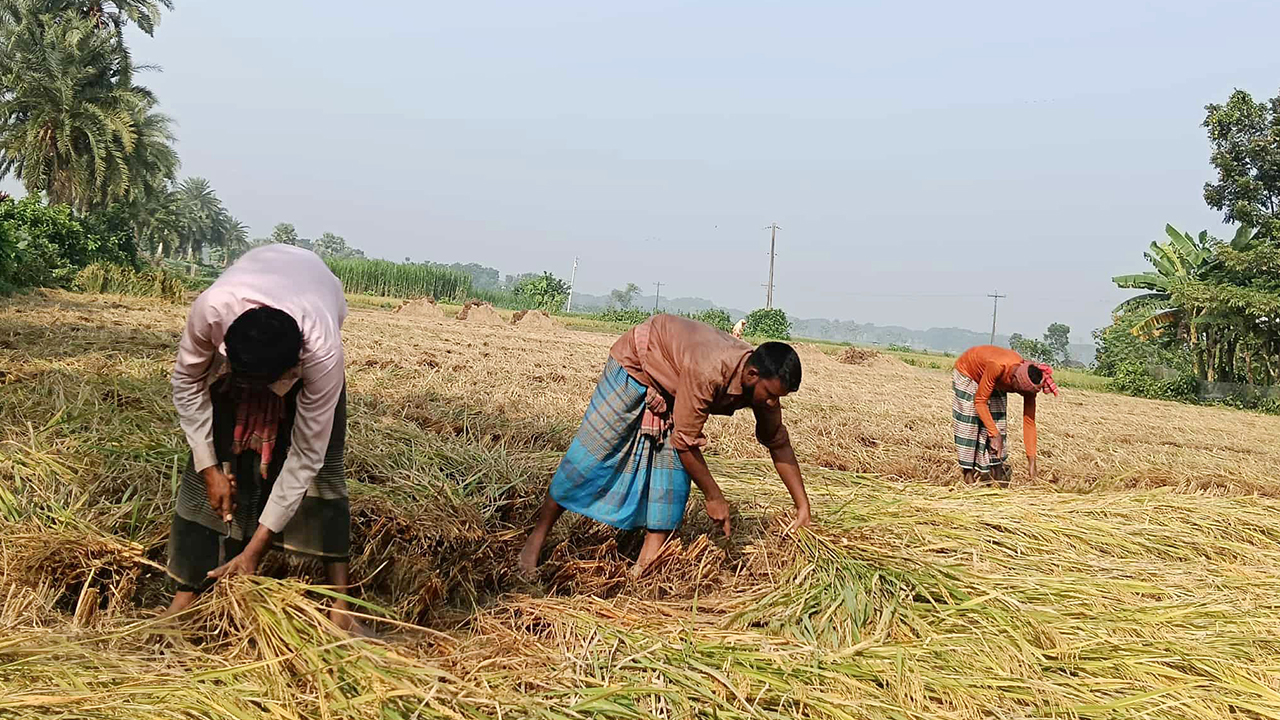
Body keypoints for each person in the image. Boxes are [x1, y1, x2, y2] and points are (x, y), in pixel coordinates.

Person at [162, 244, 366, 634]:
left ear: (295, 366)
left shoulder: (321, 354)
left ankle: (341, 605)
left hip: (311, 315)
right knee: (212, 454)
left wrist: (256, 551)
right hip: (244, 347)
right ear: (227, 356)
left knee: (323, 474)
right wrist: (209, 469)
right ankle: (186, 592)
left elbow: (306, 456)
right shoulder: (211, 311)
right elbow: (187, 383)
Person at [519, 314, 812, 576]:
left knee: (670, 478)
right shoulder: (710, 368)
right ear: (752, 375)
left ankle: (643, 568)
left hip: (677, 386)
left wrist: (802, 505)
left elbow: (778, 443)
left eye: (779, 398)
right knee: (592, 455)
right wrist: (714, 496)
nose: (773, 403)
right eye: (771, 395)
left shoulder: (764, 388)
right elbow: (686, 442)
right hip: (639, 364)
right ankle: (536, 540)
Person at [952, 345, 1058, 485]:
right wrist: (993, 434)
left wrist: (1032, 463)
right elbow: (980, 401)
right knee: (969, 424)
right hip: (969, 372)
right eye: (1016, 390)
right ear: (1013, 381)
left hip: (996, 379)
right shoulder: (997, 366)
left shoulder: (1031, 383)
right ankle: (968, 476)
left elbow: (1029, 422)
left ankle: (997, 474)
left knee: (998, 422)